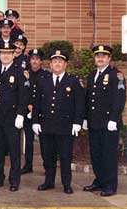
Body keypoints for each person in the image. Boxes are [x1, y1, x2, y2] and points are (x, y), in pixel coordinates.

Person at [32, 50, 84, 194]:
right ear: (50, 64)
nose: (57, 64)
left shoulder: (73, 81)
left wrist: (77, 122)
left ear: (65, 64)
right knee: (48, 157)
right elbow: (37, 103)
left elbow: (79, 103)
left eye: (60, 61)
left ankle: (66, 184)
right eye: (55, 61)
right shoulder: (43, 80)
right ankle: (49, 182)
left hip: (65, 127)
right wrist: (35, 121)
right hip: (46, 126)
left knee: (65, 157)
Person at [83, 45, 127, 197]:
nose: (100, 58)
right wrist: (85, 118)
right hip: (94, 122)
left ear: (109, 58)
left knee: (108, 155)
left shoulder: (116, 75)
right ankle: (100, 181)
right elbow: (88, 99)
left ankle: (110, 185)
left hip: (109, 123)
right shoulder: (92, 75)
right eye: (97, 56)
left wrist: (114, 118)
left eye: (103, 56)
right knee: (96, 154)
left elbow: (119, 98)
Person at [0, 43, 28, 192]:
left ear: (13, 55)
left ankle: (14, 180)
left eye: (8, 53)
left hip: (12, 119)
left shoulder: (19, 72)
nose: (5, 56)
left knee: (14, 151)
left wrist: (20, 114)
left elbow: (23, 95)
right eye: (3, 53)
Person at [21, 48, 48, 175]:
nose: (35, 61)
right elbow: (22, 93)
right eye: (32, 59)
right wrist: (28, 105)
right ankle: (28, 165)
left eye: (37, 59)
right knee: (28, 141)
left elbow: (47, 95)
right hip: (28, 112)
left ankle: (47, 166)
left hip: (41, 114)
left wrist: (37, 107)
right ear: (29, 60)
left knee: (44, 141)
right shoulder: (25, 75)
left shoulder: (46, 75)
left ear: (41, 61)